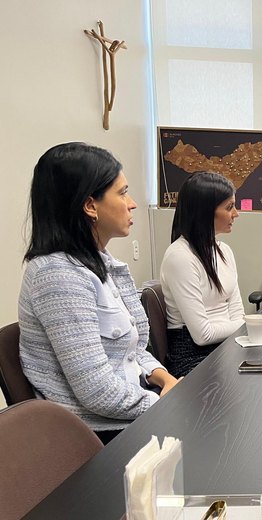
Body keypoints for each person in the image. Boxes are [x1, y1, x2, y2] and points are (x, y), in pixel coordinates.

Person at [18, 143, 178, 444]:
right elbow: (96, 390)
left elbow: (132, 351)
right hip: (94, 435)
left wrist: (164, 379)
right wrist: (161, 405)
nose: (131, 204)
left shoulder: (101, 265)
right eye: (122, 193)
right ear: (90, 206)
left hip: (132, 411)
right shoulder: (57, 275)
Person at [160, 172, 245, 377]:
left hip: (226, 346)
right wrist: (247, 324)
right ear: (205, 212)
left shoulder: (224, 251)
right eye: (229, 207)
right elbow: (202, 335)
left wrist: (245, 323)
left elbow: (237, 313)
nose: (236, 213)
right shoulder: (180, 256)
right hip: (191, 356)